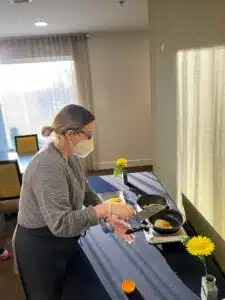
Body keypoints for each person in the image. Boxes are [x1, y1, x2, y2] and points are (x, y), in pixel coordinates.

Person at [13, 104, 136, 300]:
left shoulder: (69, 156)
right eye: (88, 135)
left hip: (62, 240)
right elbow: (60, 224)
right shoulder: (48, 166)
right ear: (71, 134)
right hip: (40, 246)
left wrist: (110, 218)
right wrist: (106, 208)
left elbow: (86, 193)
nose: (91, 140)